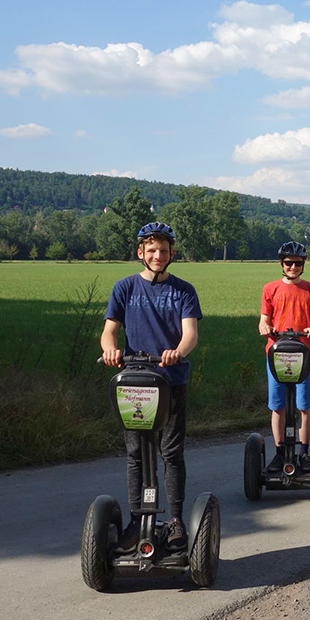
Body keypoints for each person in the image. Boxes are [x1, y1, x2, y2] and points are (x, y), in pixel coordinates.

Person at [100, 222, 202, 552]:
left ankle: (174, 519)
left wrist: (178, 352)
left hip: (170, 381)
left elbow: (190, 335)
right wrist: (110, 349)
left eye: (164, 250)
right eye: (152, 250)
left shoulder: (184, 290)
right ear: (140, 253)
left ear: (172, 254)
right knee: (135, 453)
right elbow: (109, 331)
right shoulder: (125, 288)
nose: (158, 255)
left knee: (170, 452)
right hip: (134, 381)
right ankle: (135, 520)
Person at [258, 241, 310, 475]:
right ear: (281, 263)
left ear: (303, 265)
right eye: (289, 263)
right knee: (278, 406)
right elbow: (264, 319)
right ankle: (279, 453)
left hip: (303, 353)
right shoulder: (270, 288)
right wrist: (265, 327)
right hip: (276, 353)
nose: (293, 267)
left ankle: (304, 452)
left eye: (298, 263)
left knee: (303, 406)